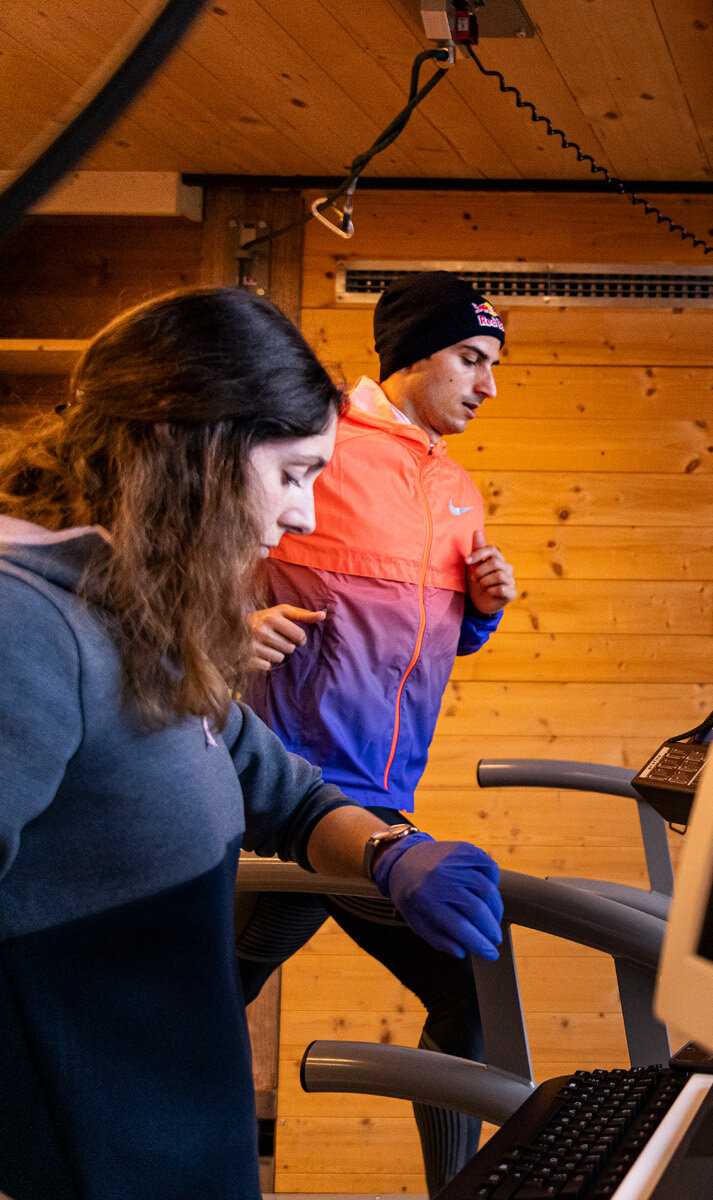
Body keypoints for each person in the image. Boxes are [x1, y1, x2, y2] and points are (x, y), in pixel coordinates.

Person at [0, 288, 505, 1200]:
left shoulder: (142, 624)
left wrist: (392, 852)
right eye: (293, 473)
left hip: (185, 1148)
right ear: (189, 450)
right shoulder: (26, 628)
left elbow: (287, 792)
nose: (308, 515)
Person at [234, 270, 518, 1190]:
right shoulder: (316, 443)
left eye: (492, 365)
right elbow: (200, 569)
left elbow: (413, 645)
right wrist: (228, 631)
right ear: (409, 356)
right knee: (176, 1018)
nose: (487, 384)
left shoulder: (458, 487)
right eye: (471, 359)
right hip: (270, 810)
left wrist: (478, 612)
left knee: (473, 994)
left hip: (375, 816)